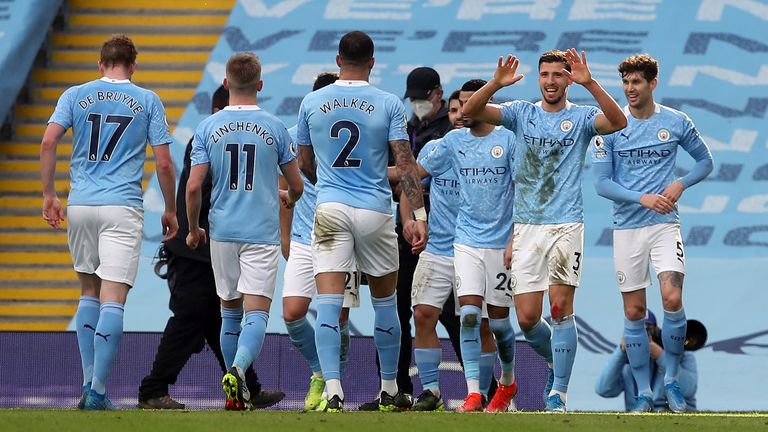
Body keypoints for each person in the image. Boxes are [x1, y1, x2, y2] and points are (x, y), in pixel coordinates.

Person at [463, 49, 627, 412]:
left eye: (558, 74)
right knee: (527, 318)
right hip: (527, 226)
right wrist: (494, 84)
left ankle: (559, 394)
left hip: (566, 223)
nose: (551, 81)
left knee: (560, 307)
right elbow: (469, 113)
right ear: (539, 78)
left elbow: (618, 122)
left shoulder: (582, 117)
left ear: (569, 79)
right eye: (545, 74)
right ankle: (555, 360)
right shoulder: (522, 113)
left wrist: (592, 83)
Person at [40, 35, 178, 410]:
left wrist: (49, 194)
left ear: (101, 64)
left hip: (82, 204)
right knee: (113, 298)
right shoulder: (147, 100)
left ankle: (88, 385)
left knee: (88, 291)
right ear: (133, 65)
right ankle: (98, 390)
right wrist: (170, 208)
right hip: (121, 206)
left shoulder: (74, 95)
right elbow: (164, 163)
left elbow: (49, 141)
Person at [296, 30, 427, 412]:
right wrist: (418, 215)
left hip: (332, 208)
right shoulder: (388, 103)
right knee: (386, 302)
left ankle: (333, 389)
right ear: (373, 62)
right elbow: (404, 165)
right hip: (374, 210)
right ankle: (389, 387)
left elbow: (305, 162)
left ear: (338, 61)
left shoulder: (313, 101)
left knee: (329, 301)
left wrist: (329, 186)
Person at [137, 85, 284, 410]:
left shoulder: (208, 138)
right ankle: (153, 389)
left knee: (216, 319)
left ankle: (246, 386)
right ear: (221, 111)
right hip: (197, 246)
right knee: (191, 316)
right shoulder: (209, 138)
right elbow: (198, 189)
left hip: (205, 245)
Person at [590, 53, 713, 413]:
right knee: (634, 312)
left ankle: (672, 380)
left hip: (663, 226)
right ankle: (644, 392)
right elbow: (601, 184)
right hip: (628, 227)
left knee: (672, 300)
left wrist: (681, 183)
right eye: (625, 82)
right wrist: (641, 198)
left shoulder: (675, 121)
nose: (629, 88)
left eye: (637, 82)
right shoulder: (610, 124)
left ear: (652, 83)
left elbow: (705, 162)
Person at [186, 52, 303, 411]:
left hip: (222, 231)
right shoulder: (274, 127)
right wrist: (288, 196)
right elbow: (296, 184)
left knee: (230, 313)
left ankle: (232, 397)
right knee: (257, 315)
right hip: (261, 232)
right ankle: (237, 370)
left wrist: (194, 229)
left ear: (226, 83)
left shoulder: (207, 128)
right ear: (260, 85)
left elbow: (193, 188)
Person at [416, 79, 518, 413]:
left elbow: (525, 189)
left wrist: (516, 236)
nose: (463, 111)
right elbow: (413, 174)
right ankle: (474, 393)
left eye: (471, 103)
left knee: (499, 325)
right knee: (470, 316)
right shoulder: (452, 141)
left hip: (500, 245)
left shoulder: (509, 140)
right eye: (460, 104)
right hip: (466, 243)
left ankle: (506, 379)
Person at [280, 72, 361, 411]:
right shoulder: (290, 138)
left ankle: (334, 386)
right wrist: (284, 236)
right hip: (302, 238)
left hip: (341, 237)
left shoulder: (353, 138)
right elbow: (283, 189)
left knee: (339, 317)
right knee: (292, 314)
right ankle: (319, 373)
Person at [595, 311, 701, 411]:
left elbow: (688, 389)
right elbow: (603, 389)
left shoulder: (682, 354)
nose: (642, 336)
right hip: (638, 419)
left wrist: (661, 356)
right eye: (636, 332)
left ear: (656, 329)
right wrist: (622, 351)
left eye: (647, 329)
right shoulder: (627, 358)